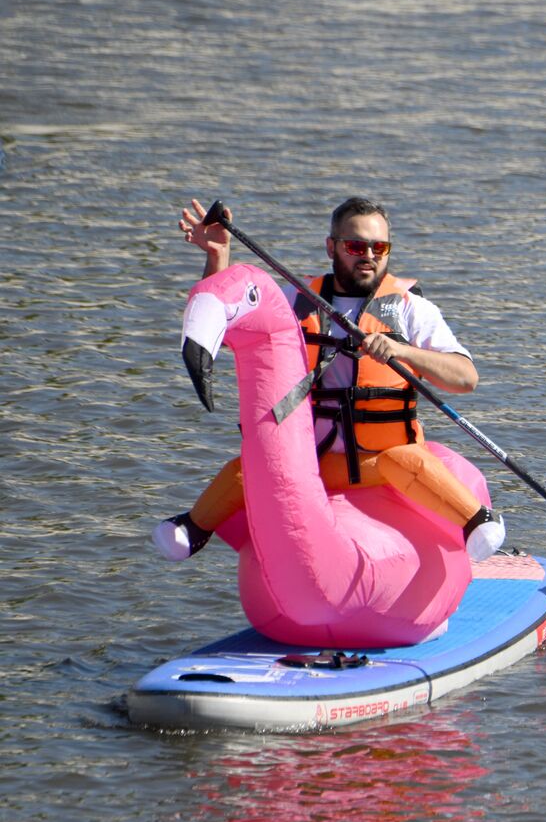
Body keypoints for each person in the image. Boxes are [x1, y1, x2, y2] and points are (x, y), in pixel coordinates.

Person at [153, 197, 505, 561]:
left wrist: (402, 351)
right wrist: (217, 257)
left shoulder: (410, 309)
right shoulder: (296, 300)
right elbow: (227, 333)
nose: (368, 255)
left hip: (383, 462)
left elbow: (466, 378)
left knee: (409, 463)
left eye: (379, 247)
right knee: (251, 468)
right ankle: (193, 528)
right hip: (312, 461)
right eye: (355, 246)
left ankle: (477, 521)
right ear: (331, 247)